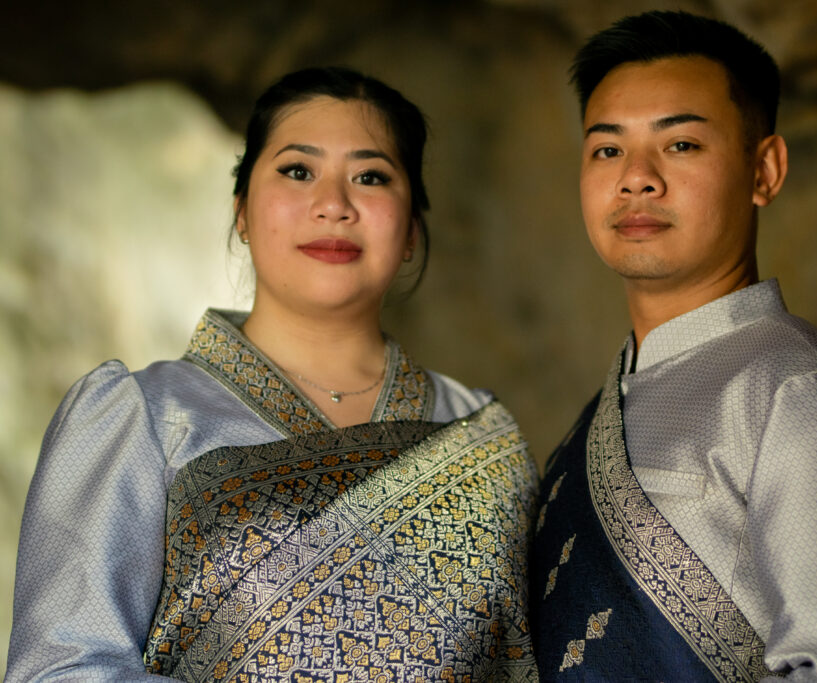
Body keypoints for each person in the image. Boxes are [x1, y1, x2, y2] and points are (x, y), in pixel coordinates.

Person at [7, 66, 539, 682]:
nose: (334, 205)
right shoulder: (144, 417)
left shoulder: (482, 435)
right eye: (297, 171)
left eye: (371, 177)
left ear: (411, 229)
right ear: (242, 211)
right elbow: (60, 669)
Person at [529, 10, 817, 682]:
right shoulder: (604, 412)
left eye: (681, 144)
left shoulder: (803, 393)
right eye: (607, 150)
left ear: (765, 170)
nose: (637, 178)